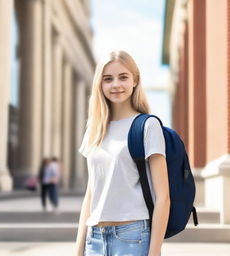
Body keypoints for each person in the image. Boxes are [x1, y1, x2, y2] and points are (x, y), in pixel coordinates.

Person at [75, 50, 170, 256]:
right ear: (100, 84)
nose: (115, 84)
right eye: (108, 79)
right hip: (95, 239)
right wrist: (78, 249)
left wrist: (155, 252)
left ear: (135, 80)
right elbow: (91, 193)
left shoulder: (147, 126)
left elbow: (163, 197)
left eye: (123, 77)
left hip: (133, 238)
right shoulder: (95, 127)